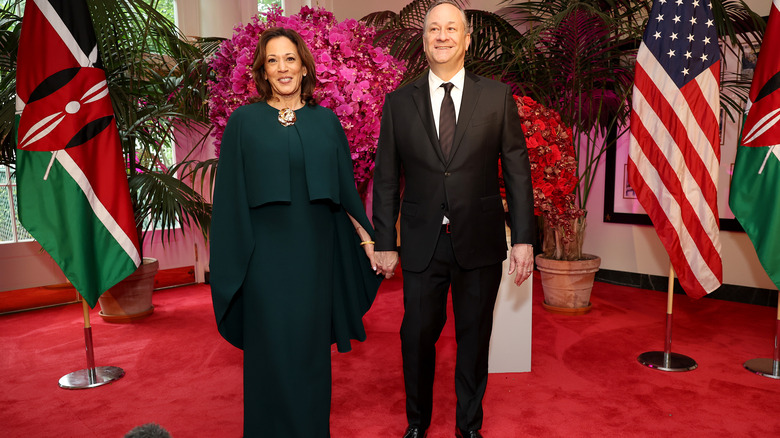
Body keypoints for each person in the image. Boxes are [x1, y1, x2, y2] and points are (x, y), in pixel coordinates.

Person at [371, 2, 535, 438]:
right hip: (423, 244)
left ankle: (468, 428)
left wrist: (523, 239)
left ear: (466, 40)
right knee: (417, 338)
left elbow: (517, 171)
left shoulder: (496, 97)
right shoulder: (398, 103)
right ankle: (417, 426)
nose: (441, 36)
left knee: (474, 340)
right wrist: (384, 241)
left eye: (451, 29)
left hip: (479, 241)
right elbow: (386, 178)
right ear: (424, 41)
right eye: (433, 30)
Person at [209, 27, 382, 438]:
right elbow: (230, 200)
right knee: (269, 351)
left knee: (308, 354)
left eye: (290, 59)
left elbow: (345, 190)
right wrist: (232, 264)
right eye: (273, 60)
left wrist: (370, 242)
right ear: (263, 71)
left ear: (304, 67)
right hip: (263, 259)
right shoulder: (243, 122)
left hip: (315, 256)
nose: (283, 68)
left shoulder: (326, 122)